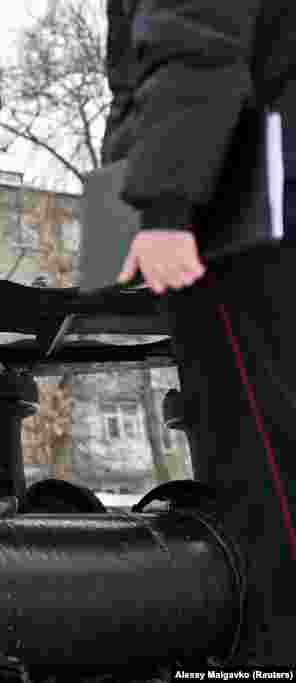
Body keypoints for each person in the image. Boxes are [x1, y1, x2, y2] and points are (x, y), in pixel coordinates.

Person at [102, 0, 295, 666]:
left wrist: (162, 207)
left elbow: (197, 38)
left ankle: (273, 659)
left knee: (259, 460)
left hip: (247, 217)